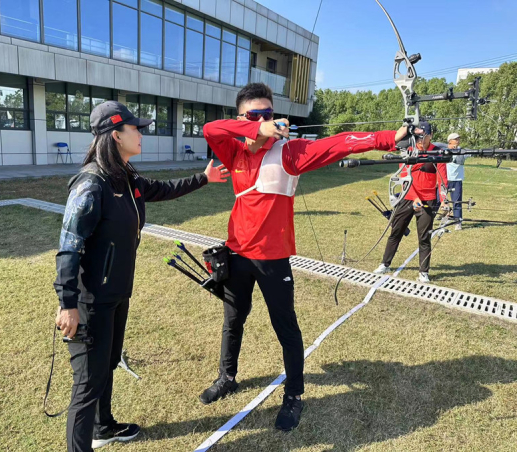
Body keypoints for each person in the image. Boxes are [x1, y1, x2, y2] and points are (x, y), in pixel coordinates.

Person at [201, 82, 411, 431]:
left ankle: (294, 394)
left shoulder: (289, 152)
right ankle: (227, 377)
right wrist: (254, 129)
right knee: (233, 319)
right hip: (236, 253)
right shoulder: (234, 152)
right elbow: (211, 129)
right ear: (241, 119)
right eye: (254, 115)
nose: (265, 121)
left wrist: (390, 137)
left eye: (269, 114)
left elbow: (339, 143)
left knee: (286, 327)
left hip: (273, 258)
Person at [54, 101, 229, 452]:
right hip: (91, 301)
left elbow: (163, 190)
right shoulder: (91, 184)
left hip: (117, 294)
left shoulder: (128, 178)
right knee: (87, 385)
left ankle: (103, 427)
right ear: (116, 135)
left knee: (106, 366)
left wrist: (204, 178)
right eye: (136, 128)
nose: (142, 134)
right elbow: (68, 248)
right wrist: (68, 304)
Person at [374, 122, 448, 282]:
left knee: (424, 237)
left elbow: (442, 179)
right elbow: (403, 177)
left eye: (423, 136)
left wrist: (444, 200)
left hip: (428, 199)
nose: (420, 140)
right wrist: (414, 198)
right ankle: (385, 264)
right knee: (396, 231)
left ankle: (423, 272)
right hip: (407, 197)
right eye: (417, 137)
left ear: (431, 135)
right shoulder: (408, 151)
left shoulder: (438, 153)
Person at [446, 132, 469, 230]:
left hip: (456, 180)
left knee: (457, 201)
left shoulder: (462, 151)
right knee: (438, 200)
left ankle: (458, 221)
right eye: (456, 139)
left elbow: (475, 152)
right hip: (444, 179)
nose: (458, 141)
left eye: (458, 139)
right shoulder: (444, 150)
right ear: (450, 141)